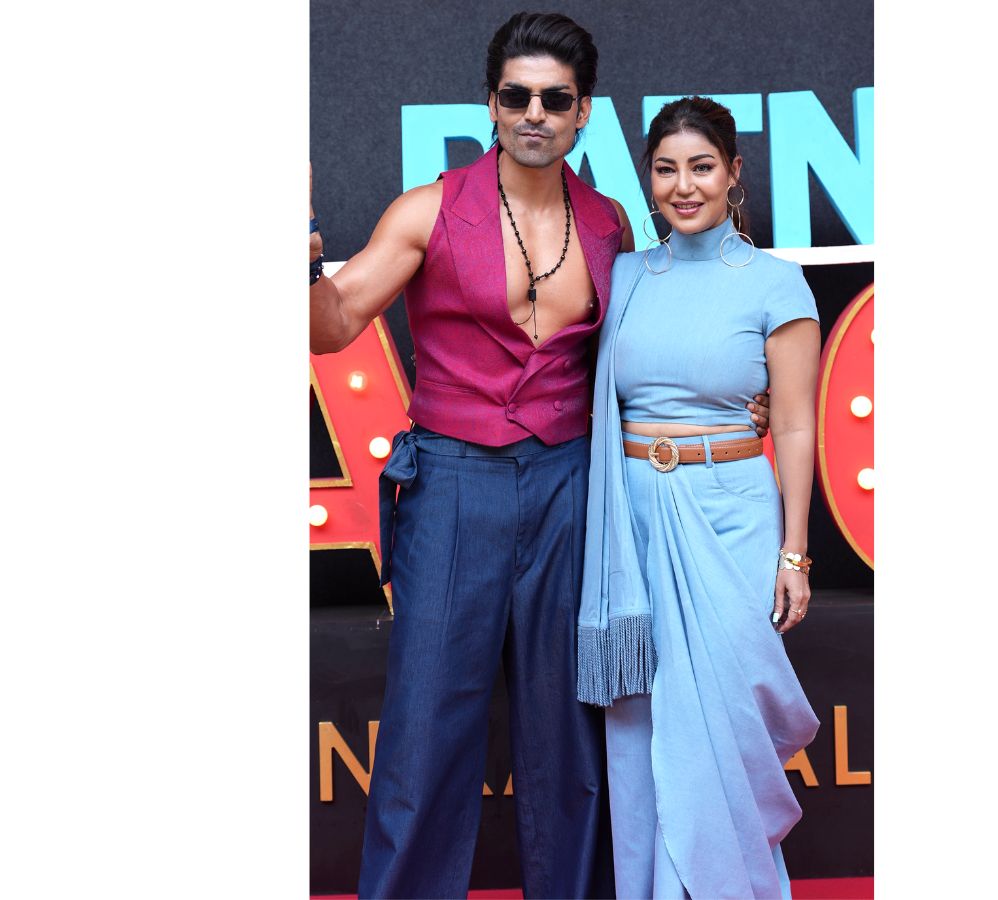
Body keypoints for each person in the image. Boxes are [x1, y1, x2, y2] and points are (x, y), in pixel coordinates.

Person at [309, 14, 771, 899]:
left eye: (554, 100)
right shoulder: (429, 209)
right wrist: (301, 259)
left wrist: (741, 396)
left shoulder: (608, 224)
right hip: (453, 482)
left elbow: (648, 352)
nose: (534, 114)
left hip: (571, 486)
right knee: (424, 732)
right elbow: (331, 328)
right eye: (516, 96)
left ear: (583, 111)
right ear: (491, 103)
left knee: (570, 734)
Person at [576, 96, 822, 899]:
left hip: (734, 516)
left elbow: (794, 425)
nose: (684, 186)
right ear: (648, 179)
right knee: (641, 726)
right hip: (632, 522)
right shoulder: (622, 276)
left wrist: (794, 553)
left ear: (734, 173)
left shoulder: (776, 285)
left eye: (702, 167)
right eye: (666, 169)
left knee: (721, 721)